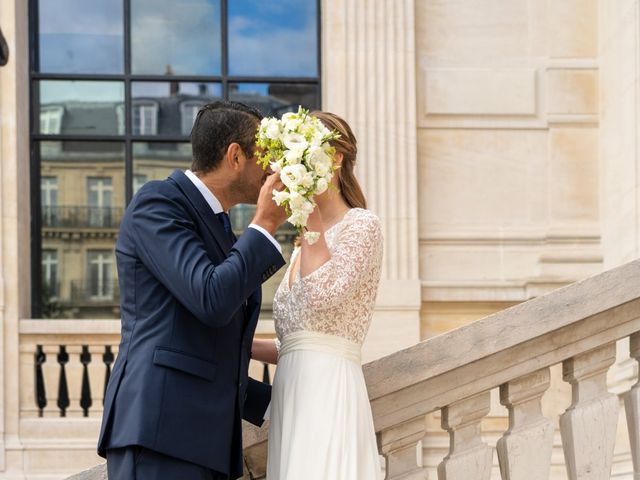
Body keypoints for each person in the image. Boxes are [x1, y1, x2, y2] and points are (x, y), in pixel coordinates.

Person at [97, 101, 287, 479]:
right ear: (235, 156)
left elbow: (213, 343)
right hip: (160, 435)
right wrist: (265, 224)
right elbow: (211, 300)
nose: (272, 171)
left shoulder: (218, 225)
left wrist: (277, 405)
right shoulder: (158, 203)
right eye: (265, 157)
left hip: (204, 441)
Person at [252, 111, 384, 479]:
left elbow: (322, 298)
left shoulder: (362, 226)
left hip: (328, 387)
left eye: (303, 157)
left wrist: (306, 214)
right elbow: (297, 341)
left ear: (336, 157)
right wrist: (244, 344)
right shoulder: (301, 247)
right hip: (292, 391)